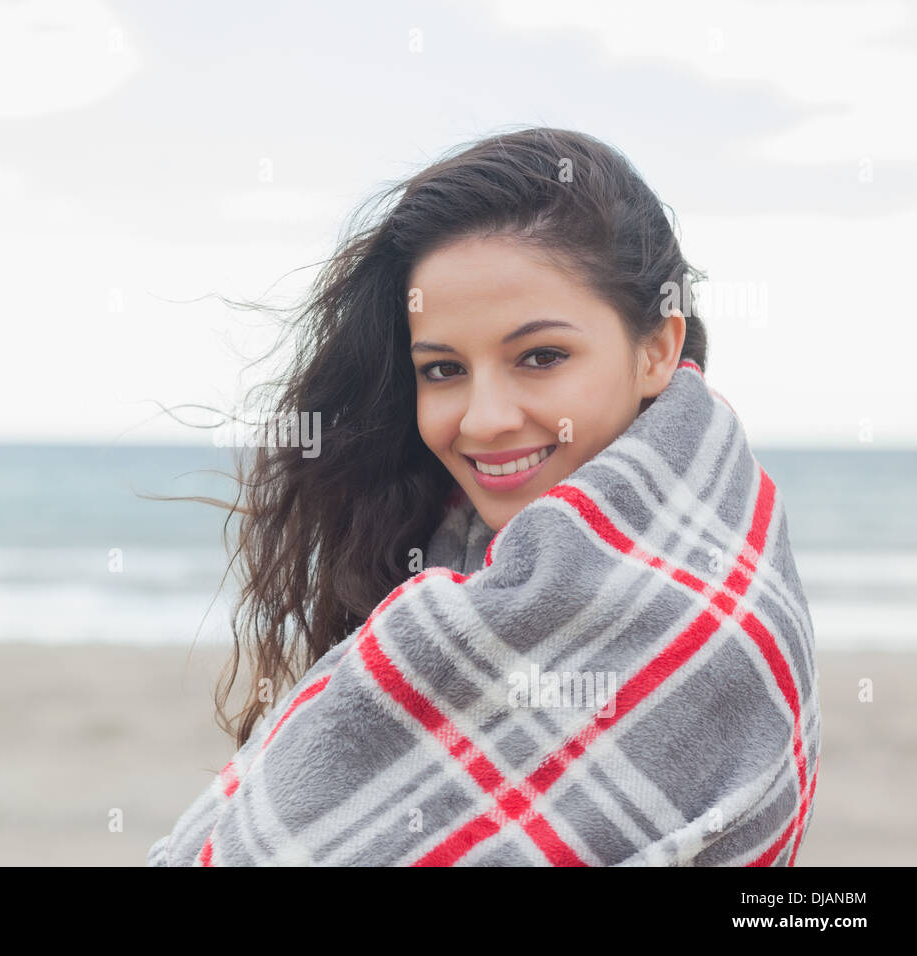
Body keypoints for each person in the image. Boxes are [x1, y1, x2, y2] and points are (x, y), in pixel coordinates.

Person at [148, 127, 819, 866]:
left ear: (657, 348)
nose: (484, 418)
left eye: (541, 357)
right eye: (442, 370)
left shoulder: (700, 626)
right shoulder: (459, 554)